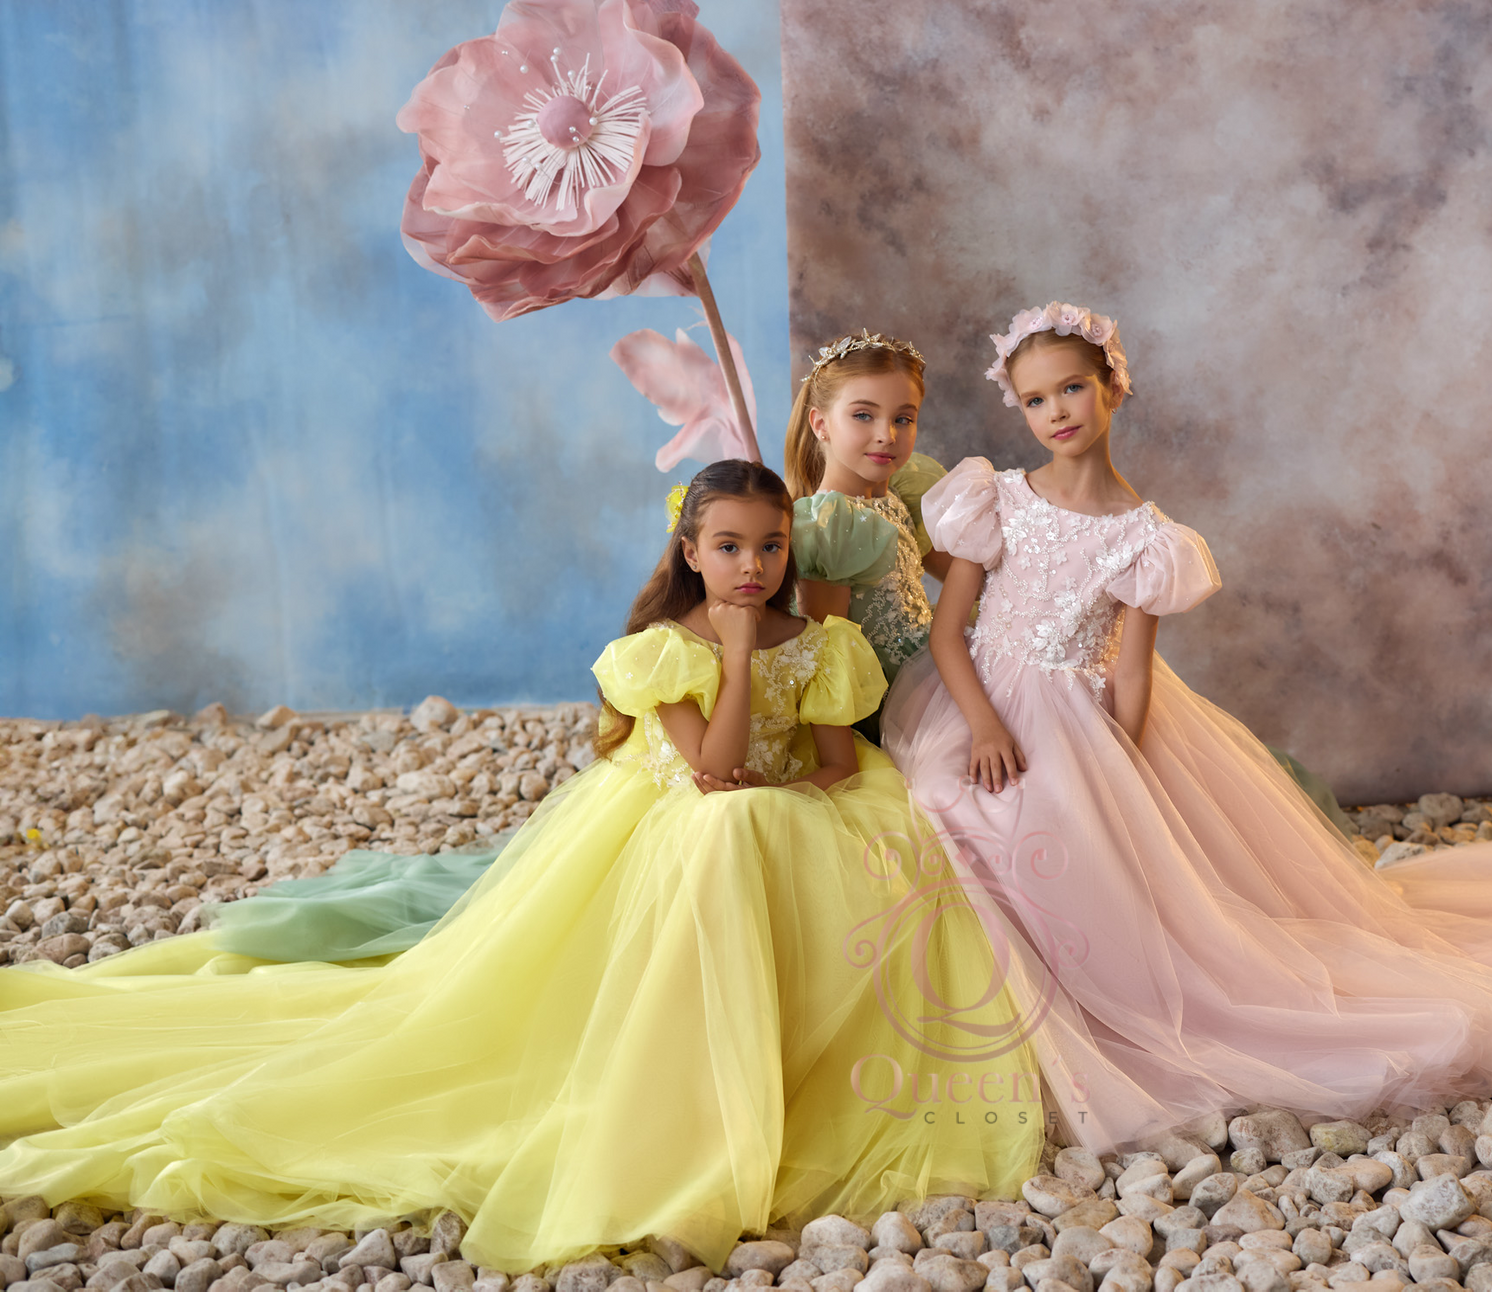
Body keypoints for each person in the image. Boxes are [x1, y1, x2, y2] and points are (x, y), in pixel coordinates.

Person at [0, 460, 1041, 1273]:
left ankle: (797, 1052)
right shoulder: (665, 649)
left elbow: (832, 764)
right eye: (729, 546)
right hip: (687, 817)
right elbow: (714, 772)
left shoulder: (818, 644)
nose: (753, 568)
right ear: (690, 550)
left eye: (771, 547)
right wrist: (733, 656)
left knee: (818, 838)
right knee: (726, 831)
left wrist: (795, 791)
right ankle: (692, 1099)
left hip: (778, 809)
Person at [880, 302, 1492, 1152]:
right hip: (979, 701)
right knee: (947, 802)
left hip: (1085, 727)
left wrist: (1119, 776)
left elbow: (1130, 673)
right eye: (1034, 400)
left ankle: (1075, 1016)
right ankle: (974, 1012)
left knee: (1060, 834)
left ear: (1112, 388)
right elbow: (952, 635)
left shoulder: (1145, 539)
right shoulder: (998, 500)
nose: (1055, 412)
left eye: (1071, 388)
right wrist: (985, 725)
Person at [782, 330, 950, 741]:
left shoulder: (903, 494)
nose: (887, 435)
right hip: (887, 712)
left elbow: (967, 577)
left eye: (903, 419)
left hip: (934, 677)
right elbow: (828, 661)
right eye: (863, 415)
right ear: (821, 424)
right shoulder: (827, 523)